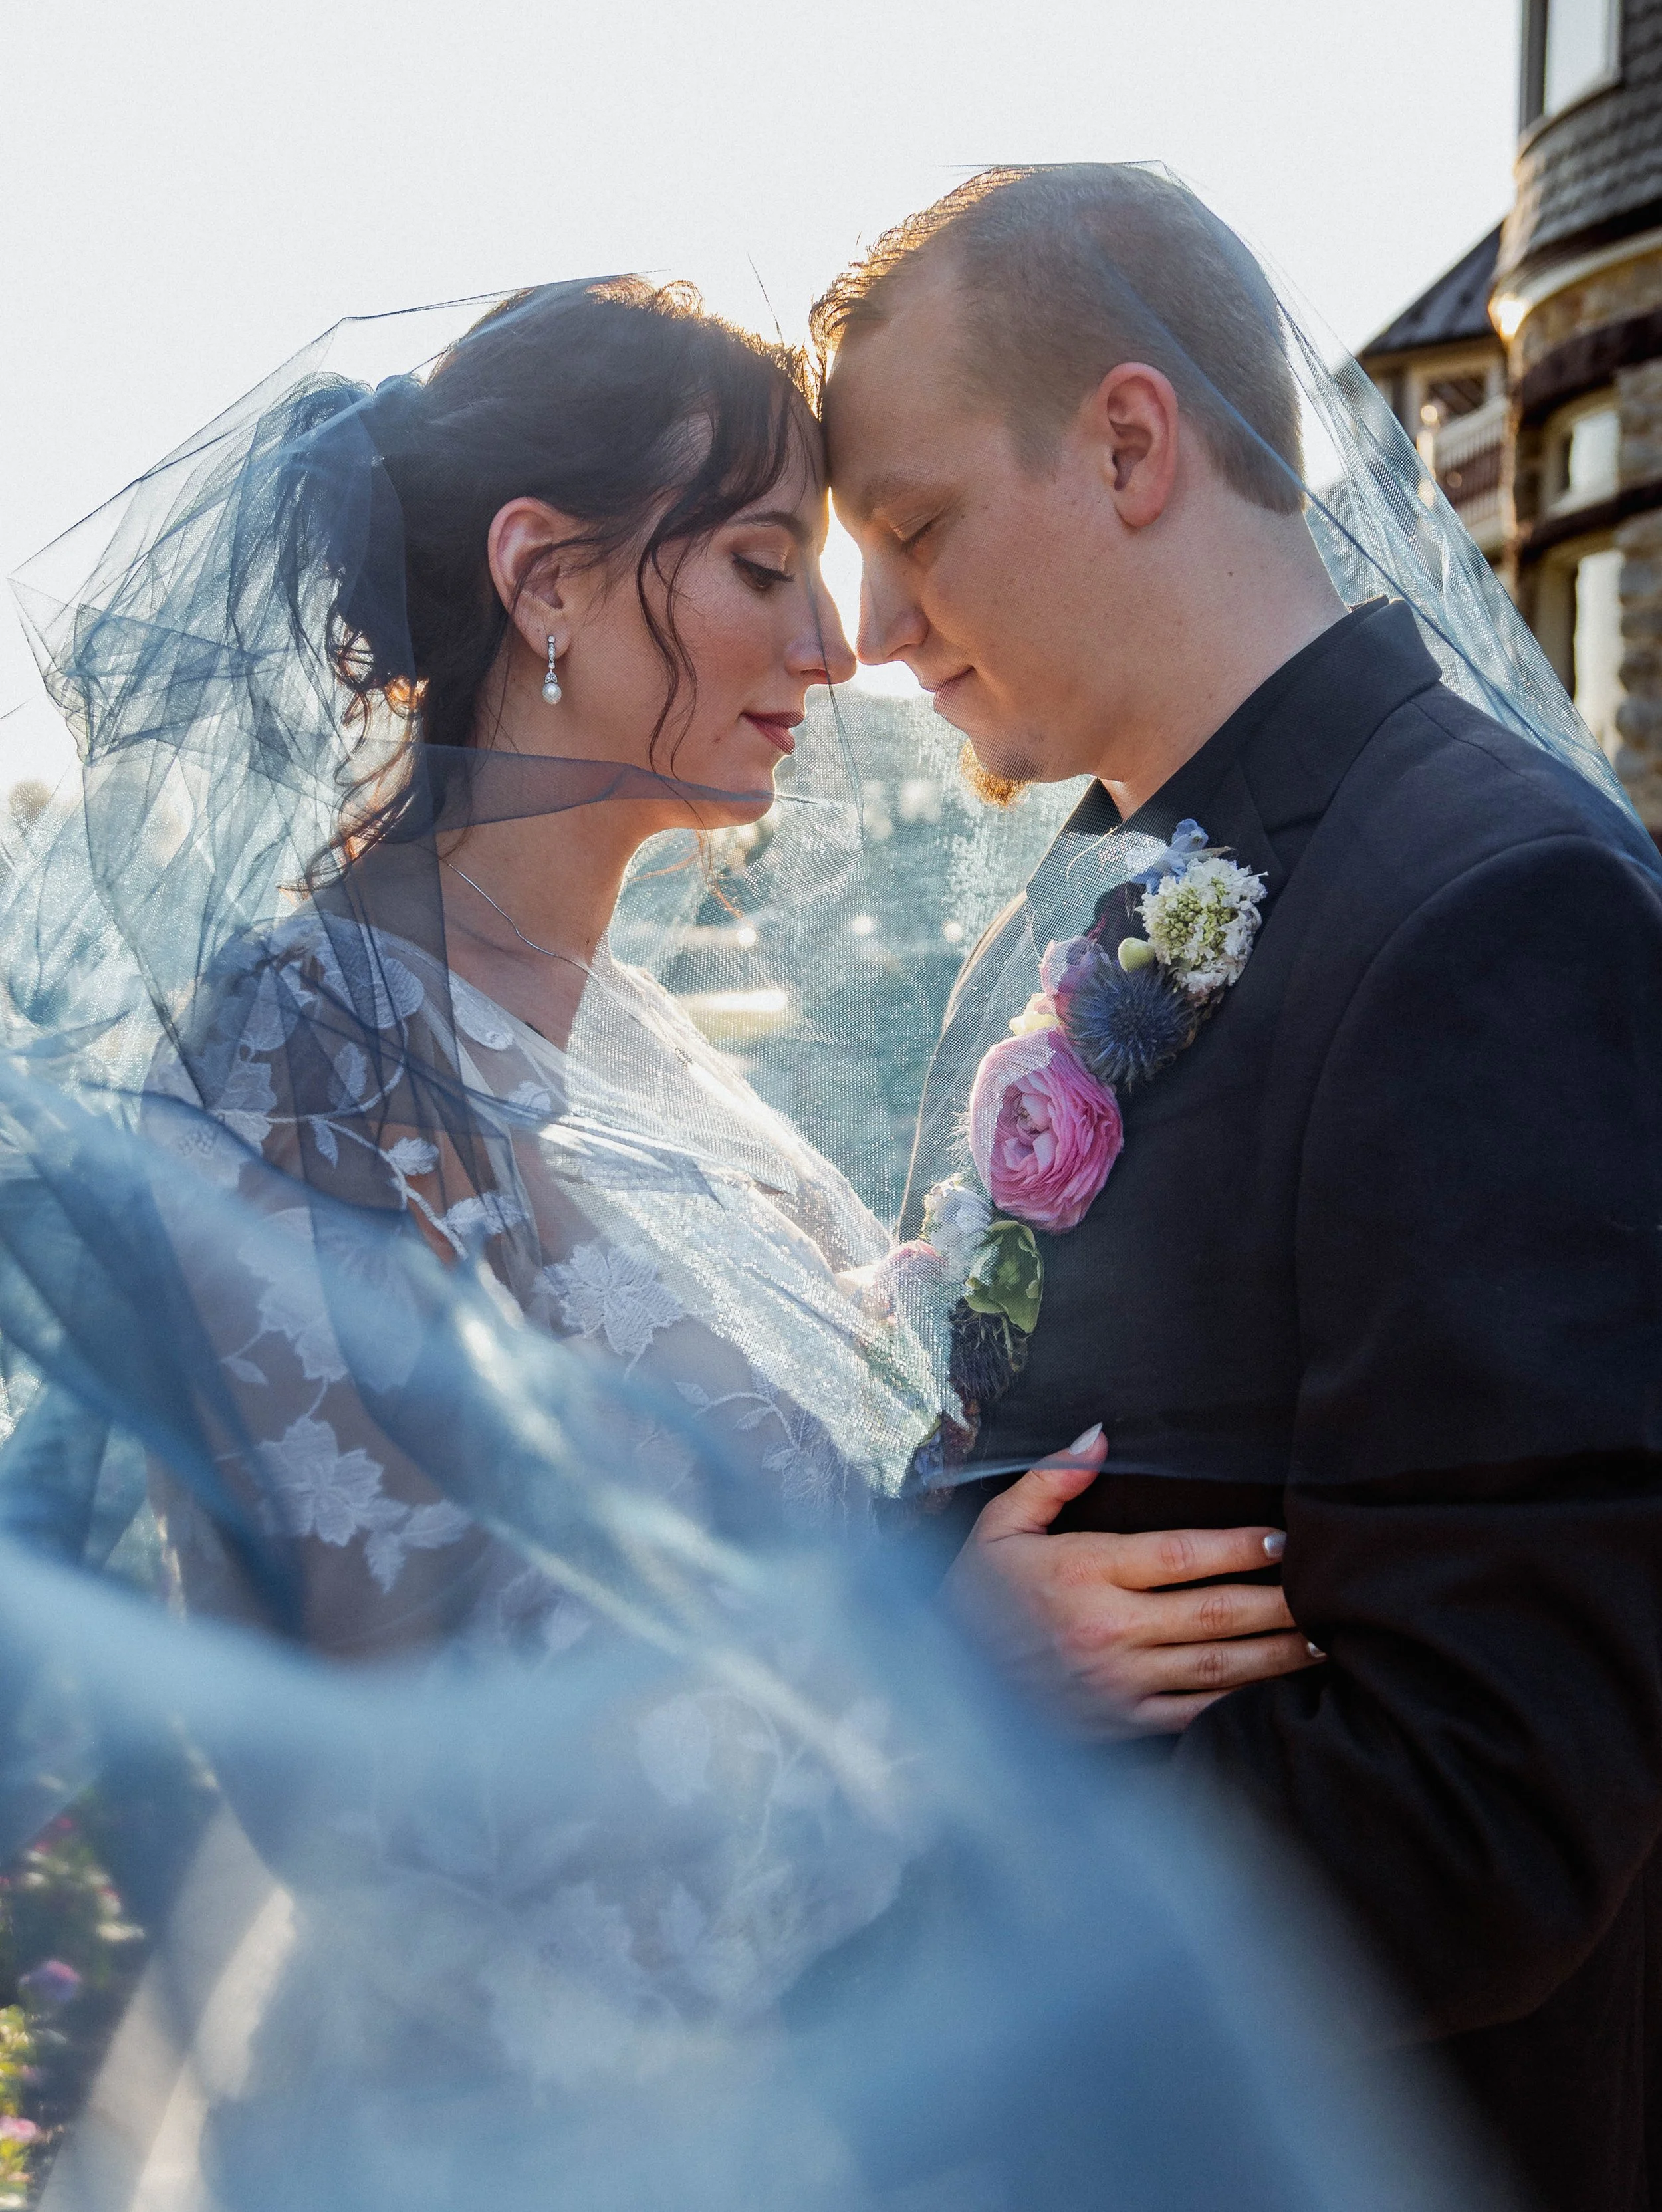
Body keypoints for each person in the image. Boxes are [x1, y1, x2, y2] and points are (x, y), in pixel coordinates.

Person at [0, 270, 1501, 2212]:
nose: (835, 641)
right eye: (760, 564)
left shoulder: (623, 1045)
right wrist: (938, 1668)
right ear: (543, 577)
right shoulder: (297, 1068)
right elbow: (377, 1774)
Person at [816, 162, 1662, 2212]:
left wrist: (933, 1814)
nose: (866, 633)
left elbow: (1486, 1810)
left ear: (1126, 442)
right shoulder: (1154, 884)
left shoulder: (1486, 906)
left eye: (910, 530)